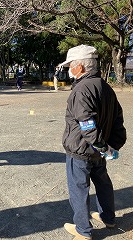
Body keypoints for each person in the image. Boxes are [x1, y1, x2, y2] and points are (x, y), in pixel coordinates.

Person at [60, 45, 126, 240]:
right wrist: (112, 146)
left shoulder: (81, 89)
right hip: (99, 150)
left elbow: (87, 125)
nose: (69, 69)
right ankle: (109, 218)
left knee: (79, 189)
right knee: (103, 183)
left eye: (70, 65)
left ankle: (83, 230)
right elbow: (117, 120)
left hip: (81, 150)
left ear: (80, 67)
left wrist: (103, 146)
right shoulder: (105, 87)